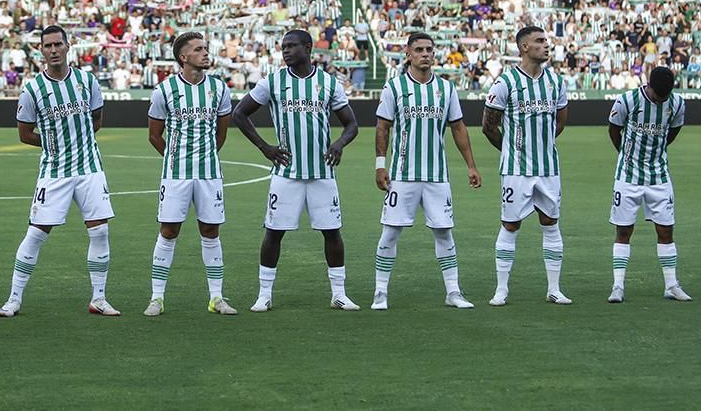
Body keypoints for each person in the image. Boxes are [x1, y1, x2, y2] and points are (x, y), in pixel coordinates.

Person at [233, 29, 361, 312]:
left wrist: (339, 143)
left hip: (322, 173)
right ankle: (264, 294)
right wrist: (264, 147)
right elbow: (239, 113)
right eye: (283, 47)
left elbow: (351, 124)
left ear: (308, 47)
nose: (286, 51)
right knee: (274, 232)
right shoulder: (273, 82)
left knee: (332, 232)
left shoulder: (328, 83)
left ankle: (339, 293)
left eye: (292, 46)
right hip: (286, 174)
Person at [0, 26, 119, 317]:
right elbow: (24, 133)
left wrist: (79, 141)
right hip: (54, 172)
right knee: (37, 233)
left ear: (68, 47)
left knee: (100, 231)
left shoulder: (86, 81)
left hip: (89, 168)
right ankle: (14, 298)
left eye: (58, 44)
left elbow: (96, 120)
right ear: (41, 50)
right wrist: (51, 143)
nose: (53, 50)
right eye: (47, 45)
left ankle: (99, 298)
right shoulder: (32, 89)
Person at [372, 32, 481, 310]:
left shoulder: (446, 89)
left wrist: (470, 165)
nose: (425, 54)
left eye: (429, 49)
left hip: (437, 176)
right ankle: (380, 292)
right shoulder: (394, 87)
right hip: (403, 174)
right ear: (407, 54)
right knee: (391, 232)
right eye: (419, 49)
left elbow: (457, 127)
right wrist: (380, 165)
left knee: (444, 232)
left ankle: (453, 292)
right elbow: (383, 127)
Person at [144, 31, 236, 317]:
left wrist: (204, 157)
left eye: (206, 48)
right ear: (183, 57)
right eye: (198, 49)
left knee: (211, 230)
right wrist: (176, 158)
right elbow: (154, 135)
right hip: (176, 174)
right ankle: (157, 298)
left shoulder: (219, 89)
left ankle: (217, 297)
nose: (206, 53)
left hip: (209, 173)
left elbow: (221, 134)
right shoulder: (165, 90)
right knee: (169, 231)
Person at [482, 26, 571, 306]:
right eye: (540, 41)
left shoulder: (556, 83)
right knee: (510, 224)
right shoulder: (505, 82)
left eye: (546, 41)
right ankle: (501, 289)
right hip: (516, 169)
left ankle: (554, 289)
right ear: (524, 47)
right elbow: (489, 126)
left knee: (550, 222)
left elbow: (559, 123)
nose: (547, 45)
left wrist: (540, 146)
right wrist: (512, 150)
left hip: (548, 169)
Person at [605, 66, 692, 303]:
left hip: (659, 176)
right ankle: (618, 286)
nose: (660, 99)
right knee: (624, 230)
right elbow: (614, 131)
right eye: (657, 95)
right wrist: (626, 155)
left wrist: (656, 153)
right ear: (648, 85)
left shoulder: (677, 104)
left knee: (666, 230)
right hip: (628, 176)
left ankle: (672, 285)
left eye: (665, 96)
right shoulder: (627, 100)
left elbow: (673, 132)